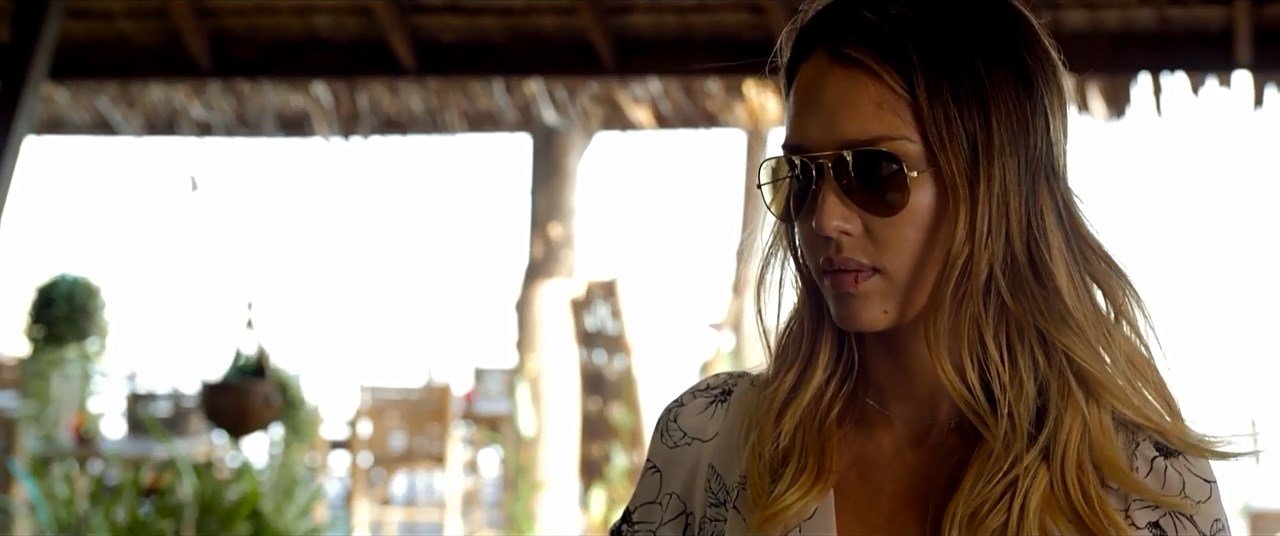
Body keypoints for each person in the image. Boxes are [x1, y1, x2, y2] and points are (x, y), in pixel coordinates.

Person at [610, 0, 1240, 535]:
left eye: (874, 171)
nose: (824, 218)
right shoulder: (709, 443)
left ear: (993, 185)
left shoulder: (1142, 487)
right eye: (801, 175)